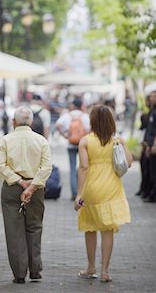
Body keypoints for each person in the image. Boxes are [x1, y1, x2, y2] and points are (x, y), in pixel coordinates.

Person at [74, 105, 132, 283]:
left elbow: (83, 167)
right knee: (108, 230)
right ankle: (105, 271)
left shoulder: (85, 141)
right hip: (112, 188)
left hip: (92, 188)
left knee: (90, 227)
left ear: (92, 121)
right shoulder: (118, 140)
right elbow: (128, 163)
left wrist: (79, 194)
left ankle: (91, 268)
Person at [0, 106, 52, 284]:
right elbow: (46, 167)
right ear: (32, 122)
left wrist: (20, 182)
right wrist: (32, 186)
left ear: (13, 122)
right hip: (36, 188)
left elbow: (0, 166)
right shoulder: (41, 140)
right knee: (35, 227)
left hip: (12, 188)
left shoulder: (5, 140)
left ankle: (19, 274)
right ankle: (35, 270)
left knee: (14, 230)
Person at [55, 98, 90, 200]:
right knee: (83, 167)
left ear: (73, 105)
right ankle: (82, 192)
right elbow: (89, 129)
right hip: (83, 144)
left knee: (72, 168)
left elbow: (58, 125)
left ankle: (74, 193)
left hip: (70, 144)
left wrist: (64, 134)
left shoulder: (67, 115)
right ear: (81, 105)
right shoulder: (85, 116)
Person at [142, 90, 156, 203]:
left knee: (153, 171)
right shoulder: (152, 112)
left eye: (153, 97)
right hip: (149, 145)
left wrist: (154, 144)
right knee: (149, 171)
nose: (151, 99)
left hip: (153, 146)